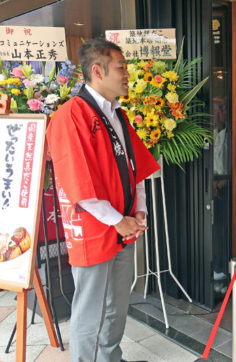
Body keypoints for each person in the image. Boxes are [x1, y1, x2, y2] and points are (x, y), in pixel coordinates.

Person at [46, 38, 160, 362]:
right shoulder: (71, 115)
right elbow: (78, 184)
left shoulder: (118, 115)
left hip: (122, 227)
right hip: (95, 229)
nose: (127, 75)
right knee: (92, 310)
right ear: (98, 71)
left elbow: (136, 169)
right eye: (122, 68)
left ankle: (109, 357)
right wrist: (119, 221)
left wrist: (138, 211)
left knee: (116, 306)